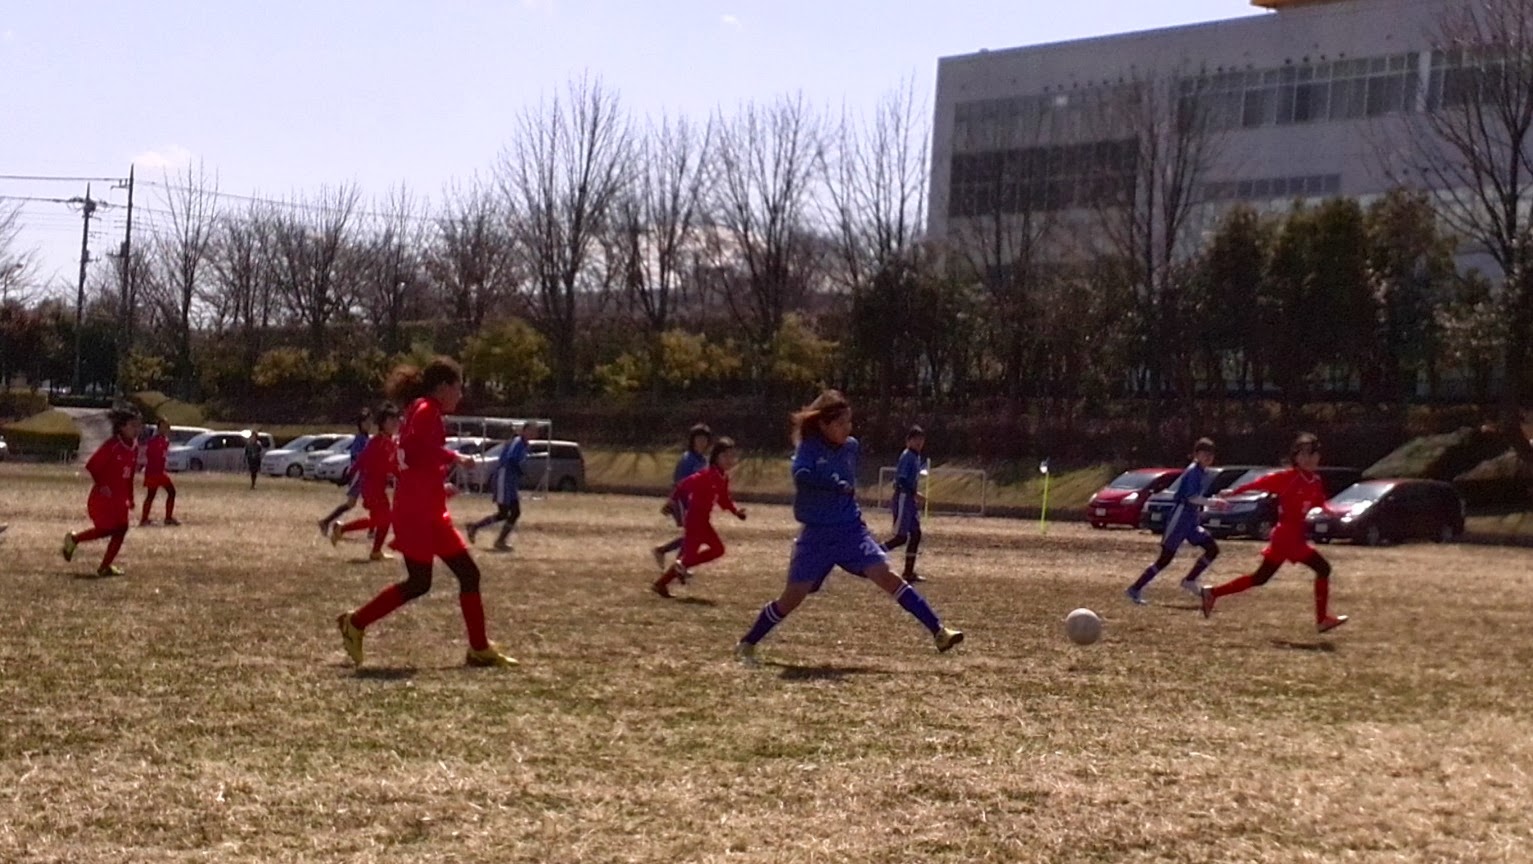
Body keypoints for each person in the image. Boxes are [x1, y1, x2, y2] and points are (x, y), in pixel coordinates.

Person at [734, 390, 964, 665]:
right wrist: (832, 484)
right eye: (841, 422)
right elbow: (801, 475)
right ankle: (748, 642)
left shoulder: (850, 447)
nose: (848, 428)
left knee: (887, 576)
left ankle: (939, 631)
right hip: (817, 536)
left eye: (849, 422)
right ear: (824, 424)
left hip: (850, 531)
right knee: (792, 598)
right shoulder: (809, 448)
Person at [336, 358, 517, 668]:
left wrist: (437, 484)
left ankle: (478, 648)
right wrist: (454, 456)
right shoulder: (426, 409)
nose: (460, 394)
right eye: (458, 387)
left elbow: (411, 457)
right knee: (421, 582)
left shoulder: (422, 409)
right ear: (443, 387)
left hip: (428, 509)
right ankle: (355, 622)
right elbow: (413, 446)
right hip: (418, 512)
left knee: (466, 574)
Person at [1201, 433, 1349, 633]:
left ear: (1319, 457)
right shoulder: (1288, 478)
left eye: (1312, 454)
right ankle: (1322, 620)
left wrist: (1335, 512)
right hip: (1287, 537)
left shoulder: (1315, 480)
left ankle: (1213, 593)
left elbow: (1320, 503)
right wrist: (1234, 492)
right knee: (1323, 568)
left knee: (1260, 578)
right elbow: (1258, 483)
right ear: (1295, 457)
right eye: (1303, 454)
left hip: (1291, 536)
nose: (1308, 459)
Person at [1125, 437, 1220, 605]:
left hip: (1191, 520)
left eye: (1210, 455)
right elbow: (1191, 498)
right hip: (1180, 519)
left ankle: (1190, 580)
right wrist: (1213, 502)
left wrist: (1214, 499)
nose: (1208, 457)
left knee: (1212, 549)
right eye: (1204, 454)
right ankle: (1135, 588)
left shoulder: (1201, 472)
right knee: (1165, 559)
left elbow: (1197, 498)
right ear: (1196, 455)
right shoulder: (1193, 472)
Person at [652, 437, 748, 597]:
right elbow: (683, 485)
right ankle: (671, 574)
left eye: (732, 456)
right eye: (725, 456)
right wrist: (671, 502)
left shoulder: (722, 477)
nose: (729, 459)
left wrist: (736, 511)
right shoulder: (706, 475)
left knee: (710, 551)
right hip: (695, 521)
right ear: (716, 457)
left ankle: (663, 581)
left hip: (703, 521)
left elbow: (724, 499)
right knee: (711, 551)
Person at [62, 408, 142, 577]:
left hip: (120, 499)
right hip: (104, 498)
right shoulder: (112, 445)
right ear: (122, 427)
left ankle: (104, 566)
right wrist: (102, 484)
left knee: (121, 529)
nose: (137, 429)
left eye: (138, 425)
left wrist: (131, 496)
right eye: (133, 425)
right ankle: (75, 540)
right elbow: (92, 465)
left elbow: (130, 475)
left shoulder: (134, 447)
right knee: (109, 529)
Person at [331, 405, 401, 561]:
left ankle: (375, 552)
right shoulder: (377, 442)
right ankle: (342, 529)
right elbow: (362, 460)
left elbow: (392, 466)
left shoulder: (390, 442)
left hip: (379, 487)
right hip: (371, 488)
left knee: (381, 521)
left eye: (396, 419)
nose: (395, 423)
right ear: (382, 423)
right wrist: (348, 476)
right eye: (391, 420)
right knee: (383, 520)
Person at [466, 421, 535, 552]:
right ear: (524, 431)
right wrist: (522, 472)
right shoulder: (517, 442)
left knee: (512, 512)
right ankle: (490, 536)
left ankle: (480, 530)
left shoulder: (524, 444)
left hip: (510, 482)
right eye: (531, 430)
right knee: (506, 513)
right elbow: (511, 459)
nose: (533, 433)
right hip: (503, 479)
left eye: (535, 431)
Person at [652, 423, 712, 573]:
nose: (702, 442)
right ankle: (678, 564)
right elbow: (679, 483)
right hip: (683, 502)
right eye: (699, 439)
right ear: (693, 440)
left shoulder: (703, 460)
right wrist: (671, 501)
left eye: (704, 439)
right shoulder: (687, 459)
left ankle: (665, 553)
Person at [882, 426, 928, 583]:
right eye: (916, 440)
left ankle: (908, 572)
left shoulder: (916, 457)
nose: (919, 443)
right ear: (908, 441)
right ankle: (873, 555)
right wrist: (915, 494)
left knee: (916, 534)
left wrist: (914, 495)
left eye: (921, 440)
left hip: (909, 501)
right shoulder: (907, 456)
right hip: (903, 498)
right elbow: (901, 480)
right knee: (901, 538)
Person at [317, 409, 373, 536]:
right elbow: (356, 457)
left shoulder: (366, 438)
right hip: (359, 476)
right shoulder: (360, 439)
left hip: (365, 475)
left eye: (370, 421)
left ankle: (326, 522)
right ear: (360, 423)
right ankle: (326, 522)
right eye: (366, 421)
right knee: (355, 503)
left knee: (367, 503)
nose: (369, 424)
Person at [140, 417, 180, 526]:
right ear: (158, 428)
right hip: (153, 472)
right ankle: (144, 519)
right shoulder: (153, 441)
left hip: (160, 472)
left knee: (171, 492)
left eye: (166, 427)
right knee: (151, 495)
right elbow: (150, 455)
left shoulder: (165, 441)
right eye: (163, 426)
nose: (165, 429)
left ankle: (167, 518)